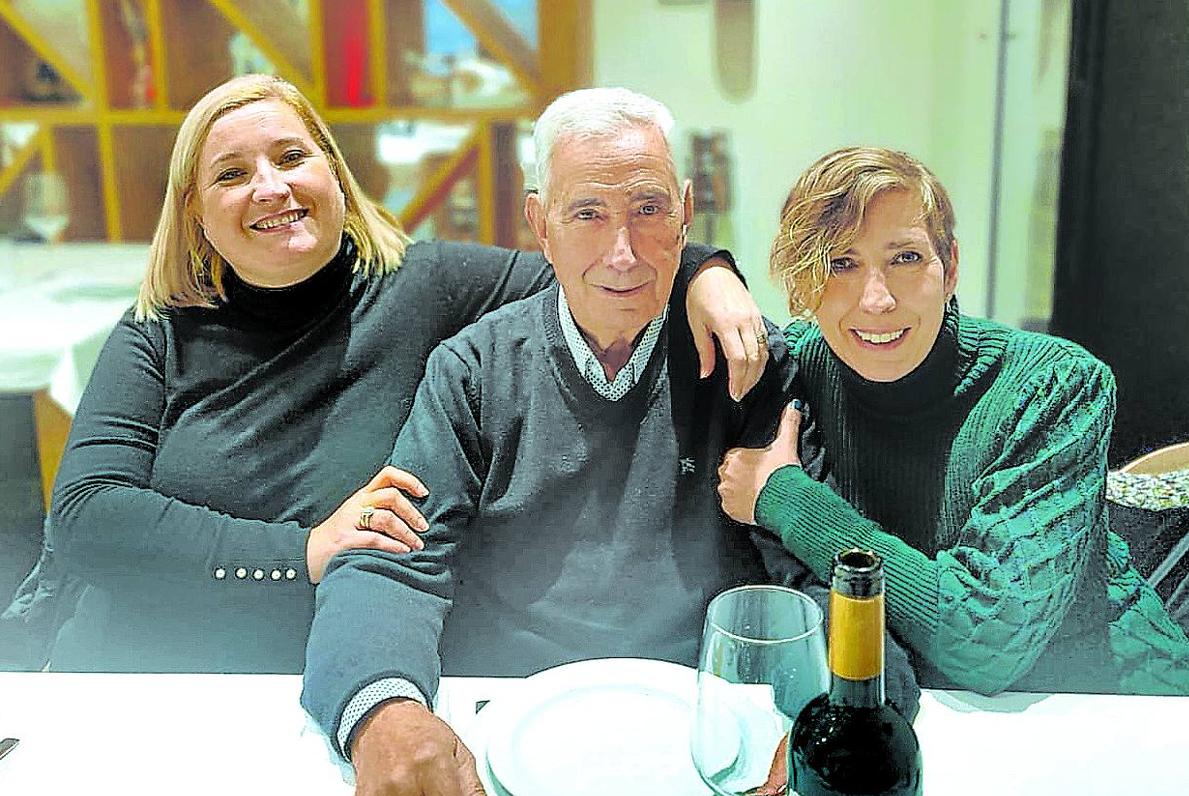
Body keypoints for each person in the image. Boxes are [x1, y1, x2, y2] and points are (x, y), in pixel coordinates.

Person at [0, 74, 769, 674]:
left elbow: (594, 260)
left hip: (317, 667)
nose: (271, 187)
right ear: (196, 212)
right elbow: (87, 518)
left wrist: (708, 271)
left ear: (335, 174)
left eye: (292, 157)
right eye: (232, 174)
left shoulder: (422, 284)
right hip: (139, 667)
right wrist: (302, 551)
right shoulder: (158, 327)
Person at [300, 88, 876, 796]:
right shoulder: (473, 372)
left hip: (711, 737)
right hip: (508, 732)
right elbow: (390, 560)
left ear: (686, 212)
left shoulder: (747, 364)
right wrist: (383, 713)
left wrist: (834, 717)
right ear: (541, 225)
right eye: (588, 214)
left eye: (648, 210)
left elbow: (818, 572)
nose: (623, 253)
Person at [718, 146, 1189, 697]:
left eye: (904, 258)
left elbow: (987, 642)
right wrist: (708, 270)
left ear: (949, 266)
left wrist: (787, 498)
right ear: (803, 283)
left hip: (1111, 702)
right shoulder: (793, 371)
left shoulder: (1054, 384)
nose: (876, 300)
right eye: (840, 264)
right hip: (938, 712)